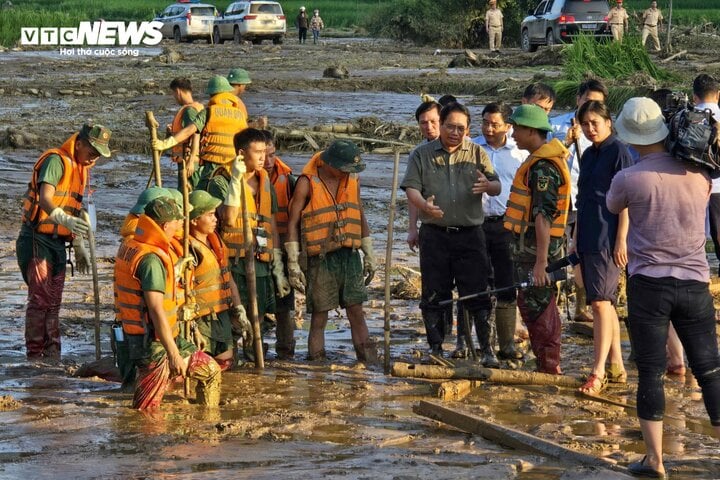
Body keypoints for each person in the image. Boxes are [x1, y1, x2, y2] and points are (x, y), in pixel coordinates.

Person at [606, 97, 720, 478]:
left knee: (651, 372)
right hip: (694, 283)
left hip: (649, 285)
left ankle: (655, 461)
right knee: (709, 371)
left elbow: (611, 205)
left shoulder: (629, 178)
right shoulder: (701, 175)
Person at [401, 102, 501, 363]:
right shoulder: (421, 155)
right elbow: (411, 188)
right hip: (435, 235)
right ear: (441, 124)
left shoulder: (477, 153)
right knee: (434, 293)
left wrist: (488, 185)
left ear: (468, 130)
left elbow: (497, 186)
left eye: (460, 128)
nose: (454, 132)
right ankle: (436, 348)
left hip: (471, 235)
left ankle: (487, 351)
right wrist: (423, 206)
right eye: (449, 127)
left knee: (478, 292)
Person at [114, 196, 221, 409]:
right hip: (154, 344)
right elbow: (155, 309)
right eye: (178, 221)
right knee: (147, 409)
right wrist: (173, 354)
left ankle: (206, 427)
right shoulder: (151, 260)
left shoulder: (133, 243)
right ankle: (149, 436)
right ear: (165, 225)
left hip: (145, 337)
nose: (182, 225)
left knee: (210, 370)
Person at [17, 124, 111, 361]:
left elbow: (76, 210)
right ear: (78, 144)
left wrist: (78, 245)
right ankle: (35, 355)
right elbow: (45, 198)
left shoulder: (81, 170)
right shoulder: (56, 161)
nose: (93, 159)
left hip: (59, 243)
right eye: (91, 153)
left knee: (54, 302)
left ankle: (52, 353)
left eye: (98, 156)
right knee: (40, 300)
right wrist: (62, 218)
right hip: (37, 239)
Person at [285, 140, 377, 362]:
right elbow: (293, 223)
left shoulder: (353, 178)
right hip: (320, 259)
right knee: (319, 315)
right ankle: (317, 365)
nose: (347, 173)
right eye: (343, 168)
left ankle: (368, 362)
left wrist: (369, 252)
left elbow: (359, 212)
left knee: (356, 311)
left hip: (350, 255)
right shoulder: (306, 183)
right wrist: (293, 263)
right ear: (329, 164)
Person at [505, 105, 571, 374]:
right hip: (532, 251)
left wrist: (541, 262)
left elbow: (544, 216)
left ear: (532, 131)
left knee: (538, 304)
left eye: (517, 128)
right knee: (535, 302)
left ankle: (549, 365)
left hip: (538, 253)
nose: (513, 134)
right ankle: (544, 359)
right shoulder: (537, 161)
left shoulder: (543, 168)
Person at [573, 100, 632, 395]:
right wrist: (574, 239)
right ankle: (616, 365)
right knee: (602, 302)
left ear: (609, 122)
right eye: (585, 124)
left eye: (595, 122)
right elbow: (582, 198)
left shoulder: (618, 151)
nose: (590, 128)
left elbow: (627, 199)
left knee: (601, 303)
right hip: (587, 232)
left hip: (608, 236)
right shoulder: (589, 155)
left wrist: (622, 239)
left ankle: (598, 372)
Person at [221, 128, 289, 361]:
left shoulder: (265, 180)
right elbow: (228, 218)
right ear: (241, 153)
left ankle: (252, 359)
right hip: (234, 260)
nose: (263, 157)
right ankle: (230, 362)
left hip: (261, 260)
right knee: (235, 319)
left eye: (265, 152)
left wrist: (278, 266)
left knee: (258, 316)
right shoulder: (222, 178)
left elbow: (270, 223)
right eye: (257, 152)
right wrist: (235, 180)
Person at [551, 78, 609, 323]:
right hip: (558, 201)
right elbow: (545, 157)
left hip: (584, 203)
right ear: (578, 99)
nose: (590, 108)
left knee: (582, 254)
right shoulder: (554, 125)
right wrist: (565, 142)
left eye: (597, 104)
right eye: (587, 101)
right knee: (554, 254)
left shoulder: (601, 132)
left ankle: (581, 306)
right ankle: (550, 307)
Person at [474, 102, 528, 361]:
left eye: (494, 124)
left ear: (508, 126)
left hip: (508, 224)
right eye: (485, 122)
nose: (488, 128)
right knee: (478, 284)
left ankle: (506, 345)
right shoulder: (472, 148)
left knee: (507, 284)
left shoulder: (520, 152)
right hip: (475, 224)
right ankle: (481, 345)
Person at [188, 190, 250, 371]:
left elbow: (228, 276)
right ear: (194, 220)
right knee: (202, 365)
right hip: (201, 318)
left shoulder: (215, 242)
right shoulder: (189, 249)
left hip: (221, 312)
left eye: (215, 214)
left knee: (226, 362)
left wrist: (238, 308)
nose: (215, 219)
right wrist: (192, 325)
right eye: (209, 215)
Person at [153, 76, 248, 191]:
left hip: (213, 165)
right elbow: (247, 139)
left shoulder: (209, 112)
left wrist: (165, 143)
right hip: (233, 165)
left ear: (212, 94)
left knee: (201, 196)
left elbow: (190, 131)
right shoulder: (239, 115)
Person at [261, 130, 298, 359]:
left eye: (272, 155)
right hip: (254, 251)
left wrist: (294, 259)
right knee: (254, 305)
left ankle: (286, 351)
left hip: (282, 250)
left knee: (285, 306)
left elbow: (298, 219)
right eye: (263, 156)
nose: (268, 162)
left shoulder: (288, 179)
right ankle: (254, 350)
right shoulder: (243, 179)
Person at [407, 100, 441, 252]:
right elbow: (413, 192)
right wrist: (413, 228)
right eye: (423, 123)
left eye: (433, 121)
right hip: (431, 227)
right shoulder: (417, 154)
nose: (429, 127)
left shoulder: (465, 147)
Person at [694, 75, 720, 272]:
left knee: (693, 238)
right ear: (718, 95)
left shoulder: (687, 118)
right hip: (718, 187)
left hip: (691, 186)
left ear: (694, 97)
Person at [167, 77, 204, 185]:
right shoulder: (198, 107)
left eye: (173, 93)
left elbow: (195, 133)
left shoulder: (189, 111)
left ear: (178, 91)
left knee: (189, 196)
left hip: (189, 163)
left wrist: (191, 161)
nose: (174, 97)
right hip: (192, 161)